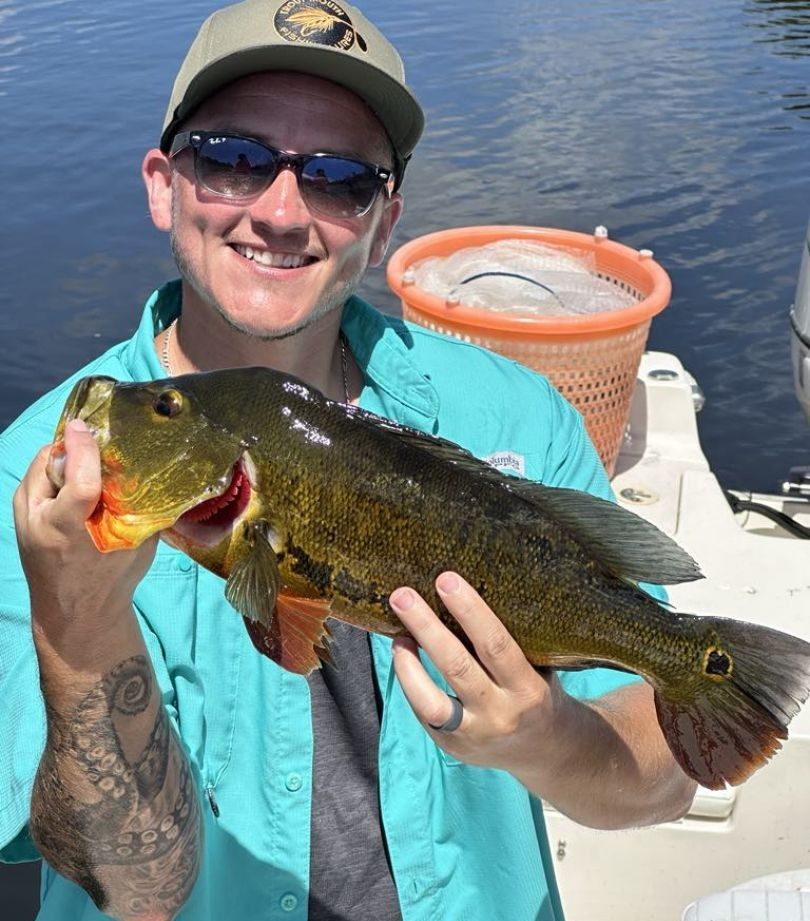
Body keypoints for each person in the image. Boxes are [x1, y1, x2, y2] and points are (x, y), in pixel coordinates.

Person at [0, 1, 697, 919]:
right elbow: (136, 889)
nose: (283, 212)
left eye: (338, 179)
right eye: (233, 160)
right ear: (164, 184)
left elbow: (667, 775)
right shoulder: (34, 477)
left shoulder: (514, 417)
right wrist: (78, 627)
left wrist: (549, 738)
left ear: (382, 220)